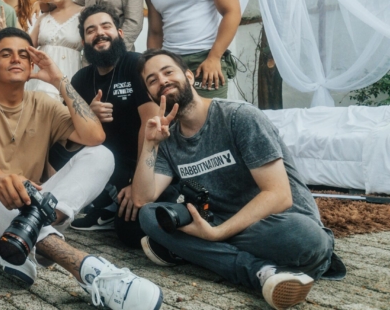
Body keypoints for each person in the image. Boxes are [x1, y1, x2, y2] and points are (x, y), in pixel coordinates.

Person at [0, 28, 163, 310]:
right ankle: (86, 268)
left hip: (31, 211)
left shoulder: (45, 104)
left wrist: (59, 79)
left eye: (23, 55)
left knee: (102, 155)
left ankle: (24, 243)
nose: (16, 59)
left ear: (31, 64)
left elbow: (95, 136)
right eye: (6, 54)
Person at [134, 49, 344, 310]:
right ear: (150, 94)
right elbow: (143, 198)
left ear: (188, 75)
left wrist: (215, 234)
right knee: (150, 216)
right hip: (222, 221)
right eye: (152, 80)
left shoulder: (239, 116)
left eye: (168, 72)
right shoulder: (168, 138)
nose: (162, 81)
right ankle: (261, 272)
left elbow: (279, 195)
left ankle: (191, 250)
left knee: (306, 238)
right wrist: (149, 144)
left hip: (277, 225)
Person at [63, 6, 160, 246]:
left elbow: (151, 127)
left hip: (144, 161)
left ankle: (114, 202)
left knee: (130, 233)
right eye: (91, 30)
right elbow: (68, 139)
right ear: (84, 40)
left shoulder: (137, 65)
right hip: (104, 162)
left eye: (105, 26)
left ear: (119, 33)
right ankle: (101, 200)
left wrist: (137, 181)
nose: (99, 33)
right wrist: (88, 116)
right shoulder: (81, 79)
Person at [25, 0, 84, 100]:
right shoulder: (44, 17)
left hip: (70, 74)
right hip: (41, 81)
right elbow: (28, 46)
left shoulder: (84, 13)